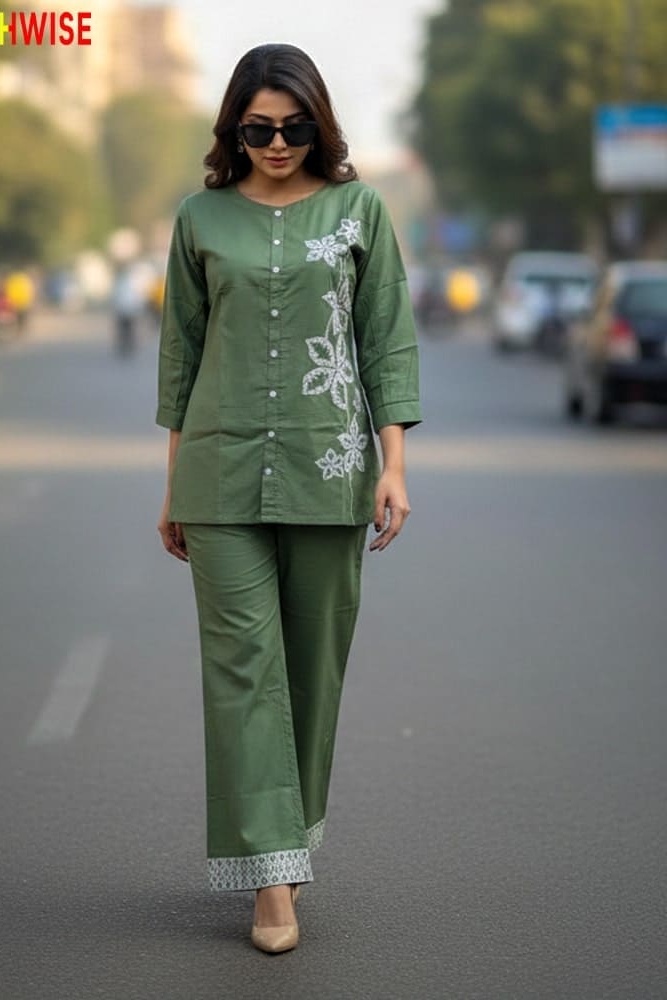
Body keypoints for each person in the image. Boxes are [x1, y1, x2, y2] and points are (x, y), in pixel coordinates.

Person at [156, 43, 422, 954]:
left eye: (294, 125)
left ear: (320, 122)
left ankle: (290, 837)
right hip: (218, 478)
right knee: (243, 671)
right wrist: (173, 484)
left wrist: (393, 464)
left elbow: (385, 336)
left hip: (332, 468)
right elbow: (181, 355)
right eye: (259, 127)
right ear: (234, 129)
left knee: (310, 669)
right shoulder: (199, 218)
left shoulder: (360, 211)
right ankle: (273, 880)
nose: (276, 141)